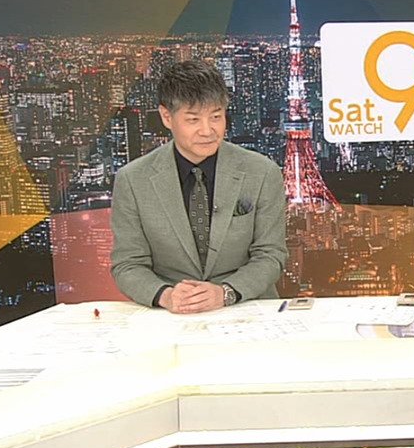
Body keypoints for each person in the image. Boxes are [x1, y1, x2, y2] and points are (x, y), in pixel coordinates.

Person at [110, 60, 288, 313]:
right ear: (166, 117)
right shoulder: (133, 180)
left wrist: (225, 293)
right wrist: (167, 296)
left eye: (216, 117)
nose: (207, 131)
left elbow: (271, 255)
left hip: (248, 308)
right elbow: (127, 264)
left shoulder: (262, 172)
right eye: (193, 119)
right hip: (170, 313)